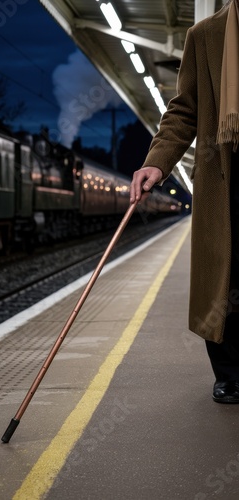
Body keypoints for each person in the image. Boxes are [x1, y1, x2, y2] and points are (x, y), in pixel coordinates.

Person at [130, 0, 239, 403]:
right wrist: (156, 163)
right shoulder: (205, 35)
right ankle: (229, 373)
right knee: (226, 271)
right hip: (223, 174)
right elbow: (185, 109)